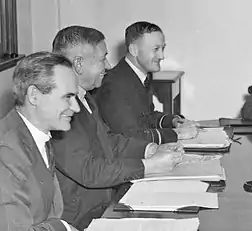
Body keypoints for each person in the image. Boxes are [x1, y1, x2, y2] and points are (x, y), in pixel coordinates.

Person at [50, 26, 184, 229]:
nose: (109, 65)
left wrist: (150, 149)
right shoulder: (59, 109)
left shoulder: (85, 97)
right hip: (82, 220)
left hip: (106, 204)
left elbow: (108, 140)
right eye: (103, 58)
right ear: (78, 64)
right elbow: (89, 170)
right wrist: (148, 166)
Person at [0, 52, 79, 230]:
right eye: (67, 97)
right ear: (34, 95)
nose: (76, 107)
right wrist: (63, 227)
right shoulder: (6, 153)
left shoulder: (39, 135)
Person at [94, 21, 198, 144]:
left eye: (162, 48)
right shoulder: (114, 85)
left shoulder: (137, 76)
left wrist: (173, 121)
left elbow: (146, 117)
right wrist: (176, 134)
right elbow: (130, 135)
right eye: (156, 49)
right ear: (134, 50)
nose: (162, 56)